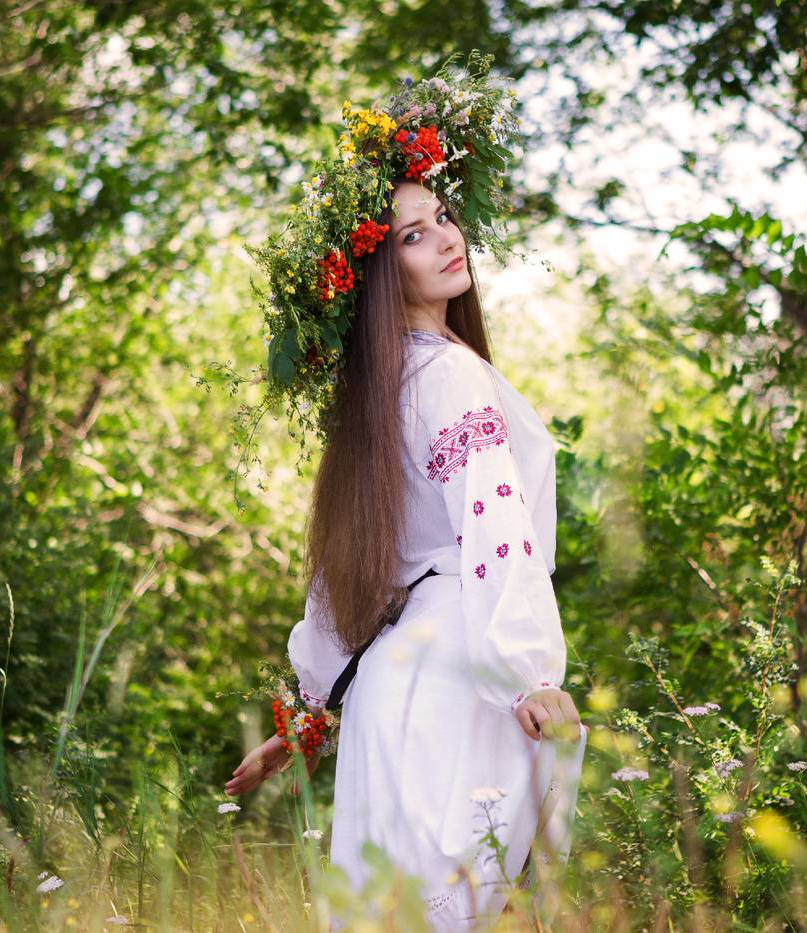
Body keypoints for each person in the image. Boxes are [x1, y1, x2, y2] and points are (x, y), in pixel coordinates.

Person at [225, 57, 586, 931]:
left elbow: (344, 584)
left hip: (390, 690)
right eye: (414, 235)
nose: (447, 236)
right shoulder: (454, 381)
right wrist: (535, 672)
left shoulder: (378, 407)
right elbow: (497, 533)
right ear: (381, 271)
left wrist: (310, 715)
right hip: (464, 669)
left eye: (443, 216)